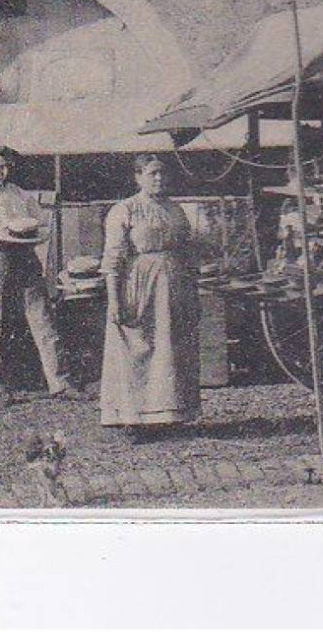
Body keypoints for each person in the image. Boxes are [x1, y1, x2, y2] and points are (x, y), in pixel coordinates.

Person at [0, 146, 86, 403]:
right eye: (0, 166)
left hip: (25, 258)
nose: (6, 171)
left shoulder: (23, 197)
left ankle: (60, 382)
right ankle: (0, 387)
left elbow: (44, 227)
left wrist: (30, 236)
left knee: (42, 318)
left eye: (9, 166)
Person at [100, 154, 201, 440]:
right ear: (138, 177)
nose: (159, 179)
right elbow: (113, 259)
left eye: (162, 174)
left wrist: (193, 288)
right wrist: (115, 300)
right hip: (139, 287)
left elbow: (188, 252)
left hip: (174, 288)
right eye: (152, 173)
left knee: (171, 349)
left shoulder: (176, 211)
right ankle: (134, 418)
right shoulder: (125, 210)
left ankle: (170, 415)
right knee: (138, 349)